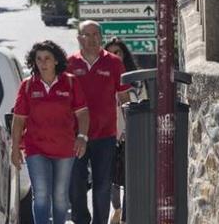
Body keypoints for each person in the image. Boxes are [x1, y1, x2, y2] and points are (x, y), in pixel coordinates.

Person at [11, 40, 90, 224]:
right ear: (34, 62)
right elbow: (18, 119)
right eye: (38, 59)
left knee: (60, 196)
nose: (43, 63)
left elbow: (83, 113)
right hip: (35, 148)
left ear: (56, 61)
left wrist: (82, 137)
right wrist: (15, 148)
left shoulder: (70, 82)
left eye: (47, 58)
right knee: (40, 194)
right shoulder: (28, 85)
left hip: (64, 148)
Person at [67, 21, 131, 224]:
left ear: (101, 37)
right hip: (75, 136)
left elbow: (124, 99)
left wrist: (129, 129)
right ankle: (80, 220)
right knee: (75, 184)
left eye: (96, 34)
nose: (93, 39)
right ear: (79, 38)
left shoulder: (113, 63)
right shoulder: (69, 64)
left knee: (102, 185)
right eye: (87, 34)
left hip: (105, 135)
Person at [105, 37, 139, 224]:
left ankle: (125, 216)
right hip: (109, 134)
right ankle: (116, 209)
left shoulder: (135, 79)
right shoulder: (102, 78)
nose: (114, 55)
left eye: (117, 52)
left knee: (128, 177)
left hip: (131, 134)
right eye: (110, 52)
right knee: (111, 178)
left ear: (124, 54)